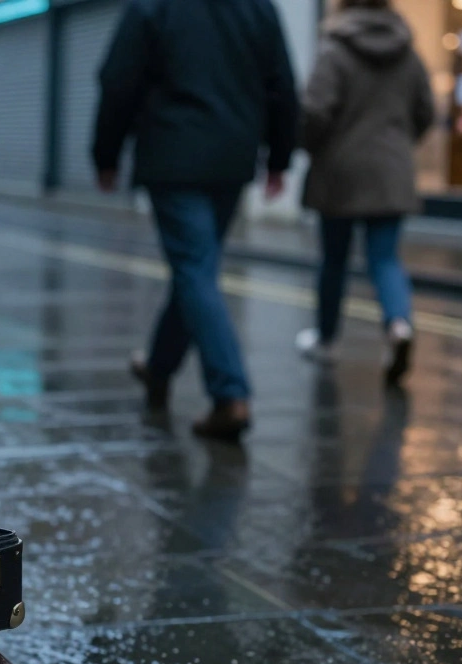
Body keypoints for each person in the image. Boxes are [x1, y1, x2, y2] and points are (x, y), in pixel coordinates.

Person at [93, 0, 298, 442]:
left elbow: (118, 80)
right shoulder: (257, 8)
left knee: (194, 270)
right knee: (196, 269)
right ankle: (158, 368)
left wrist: (105, 154)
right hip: (232, 156)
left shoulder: (153, 6)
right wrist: (279, 158)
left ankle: (230, 394)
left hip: (173, 155)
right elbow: (281, 82)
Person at [295, 0, 433, 387]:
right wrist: (400, 145)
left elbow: (314, 111)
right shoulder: (407, 52)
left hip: (341, 169)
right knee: (385, 258)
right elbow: (426, 110)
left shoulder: (335, 49)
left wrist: (310, 145)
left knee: (334, 260)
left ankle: (326, 339)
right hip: (391, 170)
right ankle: (398, 324)